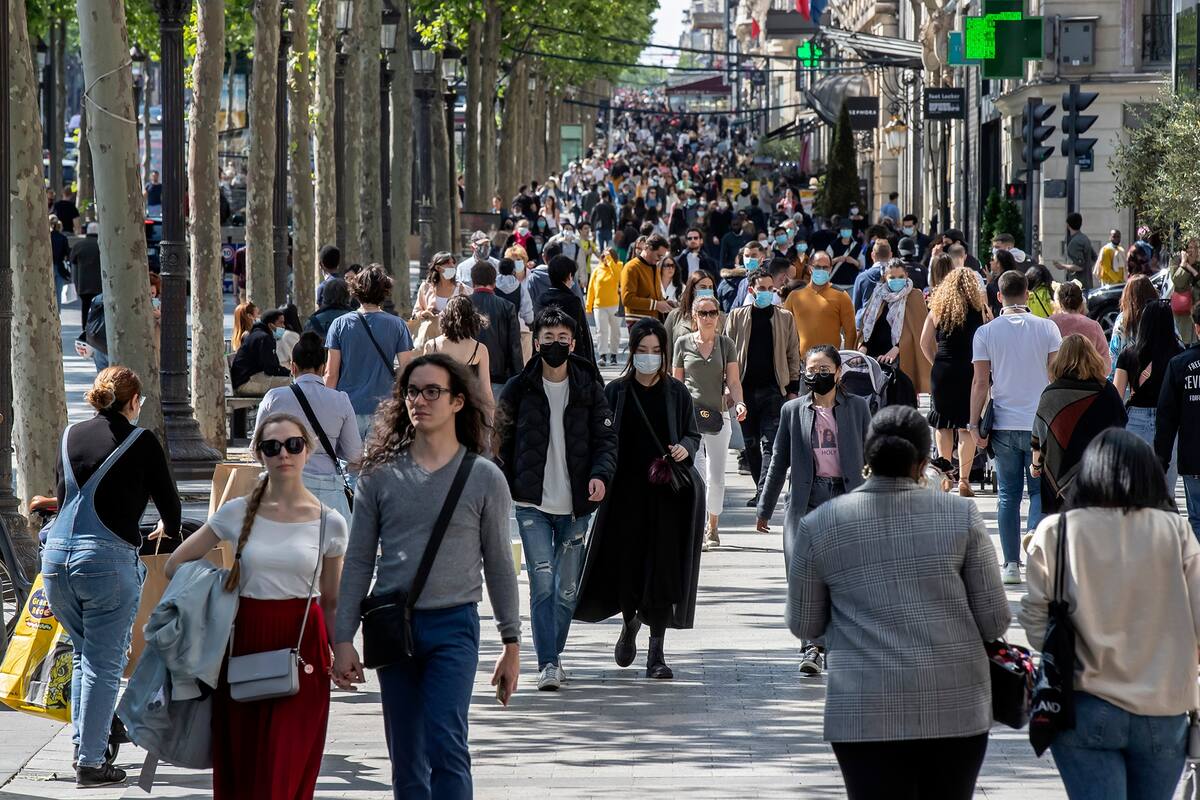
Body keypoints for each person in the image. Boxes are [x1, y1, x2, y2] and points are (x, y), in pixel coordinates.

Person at [787, 405, 1009, 799]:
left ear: (867, 457)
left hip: (863, 708)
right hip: (955, 706)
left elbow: (804, 624)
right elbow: (994, 620)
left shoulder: (820, 524)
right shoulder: (961, 517)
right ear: (924, 462)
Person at [332, 354, 521, 798]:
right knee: (407, 759)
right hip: (393, 628)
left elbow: (499, 564)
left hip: (454, 626)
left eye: (432, 391)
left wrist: (511, 643)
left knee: (446, 745)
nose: (420, 400)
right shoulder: (378, 475)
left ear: (458, 402)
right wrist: (343, 639)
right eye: (412, 392)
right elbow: (358, 560)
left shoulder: (484, 477)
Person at [164, 413, 346, 799]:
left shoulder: (331, 523)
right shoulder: (235, 513)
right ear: (259, 455)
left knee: (287, 765)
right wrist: (219, 591)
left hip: (304, 646)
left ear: (308, 450)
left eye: (293, 444)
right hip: (245, 640)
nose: (284, 454)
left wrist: (343, 650)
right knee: (245, 765)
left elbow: (332, 601)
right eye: (272, 446)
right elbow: (174, 564)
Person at [1020, 430, 1200, 799]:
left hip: (1084, 705)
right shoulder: (1177, 531)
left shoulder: (1056, 531)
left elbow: (1038, 627)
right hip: (1164, 708)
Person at [42, 367, 182, 787]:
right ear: (133, 400)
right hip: (106, 562)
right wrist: (168, 531)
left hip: (57, 560)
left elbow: (64, 495)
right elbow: (169, 504)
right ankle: (90, 762)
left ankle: (89, 745)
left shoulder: (69, 436)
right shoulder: (142, 441)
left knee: (87, 655)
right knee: (104, 663)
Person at [573, 319, 704, 680]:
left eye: (655, 351)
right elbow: (602, 440)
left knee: (662, 573)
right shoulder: (617, 392)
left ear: (664, 353)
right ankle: (630, 622)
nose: (649, 358)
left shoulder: (676, 392)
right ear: (632, 353)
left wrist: (684, 449)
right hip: (625, 498)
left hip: (667, 497)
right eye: (642, 351)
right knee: (628, 570)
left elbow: (693, 434)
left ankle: (656, 654)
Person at [496, 308, 617, 691]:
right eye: (546, 338)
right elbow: (499, 440)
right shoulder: (518, 388)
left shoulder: (588, 386)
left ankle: (554, 654)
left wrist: (600, 475)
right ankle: (548, 662)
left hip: (577, 505)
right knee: (542, 583)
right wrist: (504, 480)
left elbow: (606, 441)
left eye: (561, 338)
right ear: (535, 342)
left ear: (573, 342)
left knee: (566, 590)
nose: (554, 345)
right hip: (531, 503)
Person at [759, 346, 870, 674]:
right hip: (806, 501)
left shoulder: (858, 408)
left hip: (847, 499)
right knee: (804, 577)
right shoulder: (792, 411)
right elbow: (779, 459)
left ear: (838, 373)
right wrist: (765, 507)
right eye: (812, 369)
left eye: (824, 369)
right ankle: (811, 647)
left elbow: (874, 454)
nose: (817, 375)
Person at [970, 270, 1063, 584]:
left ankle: (1010, 564)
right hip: (1041, 422)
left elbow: (981, 382)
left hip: (1004, 424)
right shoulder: (1048, 328)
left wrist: (973, 424)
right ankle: (1035, 537)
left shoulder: (986, 333)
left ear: (999, 296)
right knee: (1039, 491)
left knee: (1008, 495)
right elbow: (1056, 377)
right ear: (1027, 294)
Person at [256, 332, 361, 521]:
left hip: (282, 492)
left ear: (293, 367)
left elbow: (256, 448)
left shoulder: (274, 397)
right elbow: (354, 455)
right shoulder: (340, 400)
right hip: (329, 495)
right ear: (323, 368)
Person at [672, 293, 745, 551]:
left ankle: (712, 525)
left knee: (716, 477)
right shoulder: (682, 344)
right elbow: (677, 384)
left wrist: (739, 403)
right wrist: (673, 416)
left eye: (712, 313)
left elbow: (734, 381)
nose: (708, 318)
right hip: (689, 421)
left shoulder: (726, 345)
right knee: (698, 474)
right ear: (694, 316)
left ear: (718, 315)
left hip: (718, 417)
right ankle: (697, 526)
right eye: (702, 313)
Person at [725, 268, 801, 505]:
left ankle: (764, 493)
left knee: (770, 443)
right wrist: (726, 386)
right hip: (743, 390)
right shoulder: (737, 317)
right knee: (750, 444)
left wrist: (792, 390)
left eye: (771, 289)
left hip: (773, 390)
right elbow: (725, 353)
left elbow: (792, 354)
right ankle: (762, 489)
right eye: (762, 289)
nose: (767, 293)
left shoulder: (785, 317)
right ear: (751, 290)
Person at [1031, 334, 1127, 519]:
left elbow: (1039, 439)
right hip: (1101, 480)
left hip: (1059, 483)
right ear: (1093, 357)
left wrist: (1036, 467)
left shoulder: (1051, 394)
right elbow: (1121, 430)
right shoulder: (1107, 391)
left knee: (1064, 539)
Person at [325, 265, 415, 439]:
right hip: (384, 406)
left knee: (349, 462)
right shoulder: (398, 325)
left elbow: (331, 374)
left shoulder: (339, 324)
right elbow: (407, 370)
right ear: (385, 292)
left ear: (356, 290)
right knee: (380, 461)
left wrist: (328, 407)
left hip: (348, 406)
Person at [921, 267, 988, 496]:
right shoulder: (980, 311)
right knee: (966, 425)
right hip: (969, 371)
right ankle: (964, 479)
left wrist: (936, 362)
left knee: (942, 424)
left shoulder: (938, 310)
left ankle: (945, 475)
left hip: (943, 370)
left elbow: (924, 342)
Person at [1114, 299, 1183, 494]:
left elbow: (1116, 394)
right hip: (1170, 421)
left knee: (1136, 490)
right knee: (1166, 490)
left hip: (1135, 420)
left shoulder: (1128, 355)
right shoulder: (1179, 355)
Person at [1156, 303, 1200, 541]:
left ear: (1196, 327)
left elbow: (1166, 417)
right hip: (1192, 457)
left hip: (1193, 456)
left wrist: (1161, 458)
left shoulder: (1180, 364)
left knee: (1197, 518)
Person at [856, 259, 932, 396]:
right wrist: (864, 345)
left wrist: (897, 348)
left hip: (902, 360)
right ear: (885, 277)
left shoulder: (915, 296)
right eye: (892, 277)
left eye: (901, 277)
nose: (897, 280)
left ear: (907, 275)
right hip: (876, 360)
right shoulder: (878, 295)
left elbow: (918, 331)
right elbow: (870, 325)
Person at [782, 250, 856, 355]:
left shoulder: (842, 296)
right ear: (810, 268)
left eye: (825, 267)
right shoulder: (795, 296)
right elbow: (784, 329)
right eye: (817, 267)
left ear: (830, 269)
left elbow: (850, 332)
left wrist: (849, 357)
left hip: (831, 363)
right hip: (802, 363)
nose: (821, 270)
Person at [423, 295, 493, 406]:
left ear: (445, 317)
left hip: (439, 406)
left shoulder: (432, 346)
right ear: (472, 319)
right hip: (469, 408)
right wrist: (490, 418)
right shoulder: (480, 349)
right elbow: (486, 390)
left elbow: (425, 383)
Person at [468, 261, 523, 399]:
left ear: (473, 282)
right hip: (498, 375)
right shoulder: (507, 306)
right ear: (494, 282)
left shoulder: (462, 305)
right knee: (495, 417)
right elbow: (514, 345)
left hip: (467, 374)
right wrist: (519, 377)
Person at [535, 255, 598, 372]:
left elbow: (536, 332)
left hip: (544, 359)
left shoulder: (541, 300)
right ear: (569, 276)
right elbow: (582, 336)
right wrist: (589, 367)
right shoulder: (572, 301)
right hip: (571, 360)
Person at [1049, 282, 1111, 374]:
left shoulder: (1049, 324)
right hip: (1086, 380)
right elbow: (1106, 364)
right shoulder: (1093, 326)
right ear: (1081, 302)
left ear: (1060, 303)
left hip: (1055, 380)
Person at [230, 307, 293, 395]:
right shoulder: (264, 338)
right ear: (271, 325)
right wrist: (289, 373)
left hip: (250, 378)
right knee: (294, 384)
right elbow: (270, 368)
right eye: (281, 323)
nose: (284, 326)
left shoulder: (259, 335)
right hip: (245, 383)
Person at [1108, 274, 1159, 380]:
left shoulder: (1123, 319)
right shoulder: (1161, 314)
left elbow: (1114, 355)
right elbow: (1178, 343)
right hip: (1161, 377)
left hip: (1132, 382)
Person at [665, 270, 721, 356]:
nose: (707, 291)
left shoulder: (721, 317)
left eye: (710, 288)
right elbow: (666, 348)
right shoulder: (675, 316)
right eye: (703, 287)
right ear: (692, 290)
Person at [620, 233, 672, 325]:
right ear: (647, 248)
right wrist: (656, 305)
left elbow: (652, 295)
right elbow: (627, 299)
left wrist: (665, 303)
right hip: (638, 323)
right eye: (658, 255)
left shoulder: (654, 266)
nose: (660, 259)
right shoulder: (631, 267)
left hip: (653, 322)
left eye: (662, 257)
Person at [585, 249, 622, 367]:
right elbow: (591, 288)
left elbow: (618, 278)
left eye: (609, 256)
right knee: (601, 331)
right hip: (599, 305)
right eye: (604, 256)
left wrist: (611, 261)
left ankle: (614, 355)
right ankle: (602, 355)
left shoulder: (619, 266)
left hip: (615, 305)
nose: (605, 259)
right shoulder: (597, 269)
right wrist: (588, 306)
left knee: (615, 332)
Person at [414, 251, 472, 324]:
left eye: (453, 263)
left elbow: (470, 314)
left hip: (454, 333)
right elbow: (416, 312)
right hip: (431, 332)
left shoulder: (462, 289)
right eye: (448, 263)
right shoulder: (426, 287)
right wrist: (423, 314)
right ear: (438, 268)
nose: (452, 266)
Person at [70, 221, 103, 343]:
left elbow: (72, 262)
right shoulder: (102, 245)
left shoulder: (79, 245)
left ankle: (85, 329)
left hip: (84, 285)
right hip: (100, 285)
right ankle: (97, 329)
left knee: (85, 307)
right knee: (99, 309)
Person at [1057, 212, 1096, 290]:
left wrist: (1062, 266)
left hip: (1077, 287)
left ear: (1068, 225)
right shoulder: (1085, 239)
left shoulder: (1075, 242)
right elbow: (1094, 258)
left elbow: (1079, 266)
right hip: (1088, 283)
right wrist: (1087, 267)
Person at [1171, 239, 1200, 344]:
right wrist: (1184, 264)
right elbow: (1178, 282)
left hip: (1197, 313)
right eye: (1189, 248)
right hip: (1182, 316)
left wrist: (1192, 269)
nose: (1192, 251)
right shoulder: (1176, 262)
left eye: (1195, 248)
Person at [51, 214, 71, 308]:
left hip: (48, 267)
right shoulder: (63, 238)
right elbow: (68, 253)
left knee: (48, 292)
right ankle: (57, 312)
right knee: (58, 292)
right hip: (59, 267)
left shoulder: (47, 237)